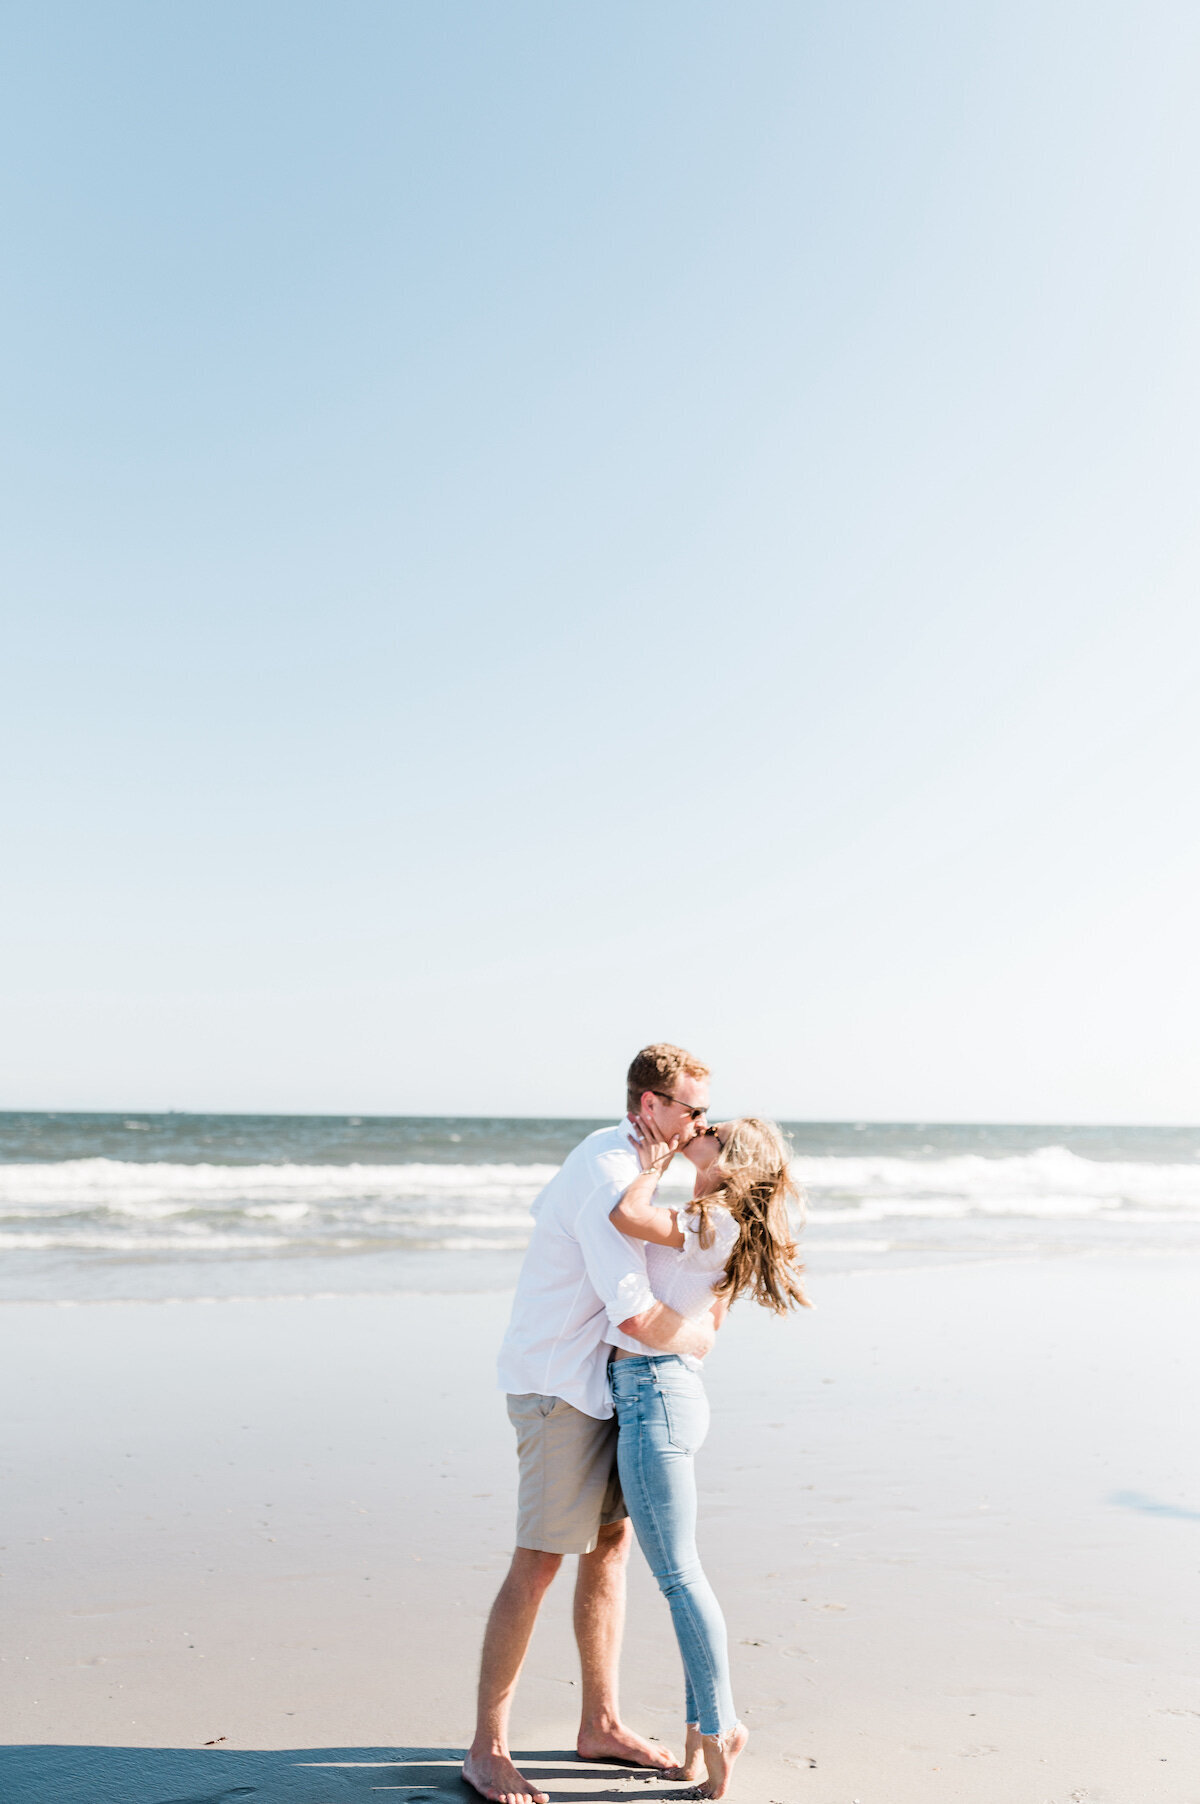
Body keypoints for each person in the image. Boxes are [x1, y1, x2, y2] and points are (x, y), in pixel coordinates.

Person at [462, 1044, 720, 1804]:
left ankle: (599, 1724)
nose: (700, 1121)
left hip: (600, 1382)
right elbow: (636, 1313)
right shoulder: (610, 1171)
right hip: (556, 1384)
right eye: (689, 1108)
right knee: (540, 1559)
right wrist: (700, 1337)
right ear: (650, 1106)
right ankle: (486, 1749)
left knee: (610, 1546)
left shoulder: (637, 1165)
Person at [607, 1114, 810, 1800]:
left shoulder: (710, 1218)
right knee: (678, 1571)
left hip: (654, 1392)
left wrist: (654, 1157)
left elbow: (626, 1214)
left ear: (730, 1159)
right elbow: (710, 1322)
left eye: (712, 1131)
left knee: (678, 1574)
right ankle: (701, 1731)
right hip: (665, 1389)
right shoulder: (715, 1221)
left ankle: (721, 1727)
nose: (700, 1126)